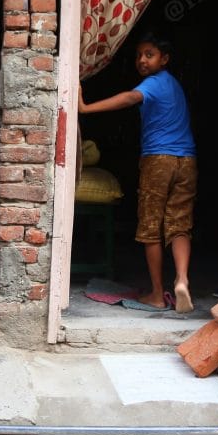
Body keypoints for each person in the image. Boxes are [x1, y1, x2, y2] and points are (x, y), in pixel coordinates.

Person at [78, 33, 197, 314]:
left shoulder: (153, 84)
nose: (142, 60)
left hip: (159, 160)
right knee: (180, 223)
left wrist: (85, 108)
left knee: (150, 227)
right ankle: (182, 279)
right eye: (139, 55)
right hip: (187, 160)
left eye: (150, 54)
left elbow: (130, 98)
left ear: (164, 59)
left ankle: (157, 294)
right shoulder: (174, 85)